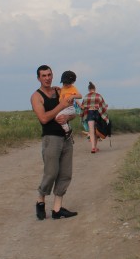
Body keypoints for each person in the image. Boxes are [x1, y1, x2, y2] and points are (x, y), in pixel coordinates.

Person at [30, 65, 78, 220]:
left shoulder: (59, 91)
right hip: (51, 138)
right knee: (51, 173)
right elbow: (43, 118)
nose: (47, 78)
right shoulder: (36, 97)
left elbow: (73, 113)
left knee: (65, 173)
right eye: (43, 75)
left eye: (49, 75)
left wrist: (67, 117)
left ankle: (57, 209)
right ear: (38, 78)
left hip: (66, 136)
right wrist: (60, 106)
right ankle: (40, 200)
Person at [80, 81, 109, 154]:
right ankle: (95, 147)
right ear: (94, 89)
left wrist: (81, 115)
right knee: (96, 131)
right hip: (97, 113)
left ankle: (93, 148)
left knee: (92, 131)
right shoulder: (99, 96)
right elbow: (103, 106)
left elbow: (83, 107)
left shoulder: (86, 96)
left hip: (89, 113)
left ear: (88, 89)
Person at [56, 70, 82, 140]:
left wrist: (73, 96)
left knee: (58, 116)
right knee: (58, 116)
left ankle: (68, 131)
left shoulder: (73, 88)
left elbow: (80, 96)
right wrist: (59, 90)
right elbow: (61, 97)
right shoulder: (63, 88)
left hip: (69, 108)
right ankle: (67, 130)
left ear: (73, 82)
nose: (65, 84)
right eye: (64, 83)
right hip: (64, 108)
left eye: (67, 83)